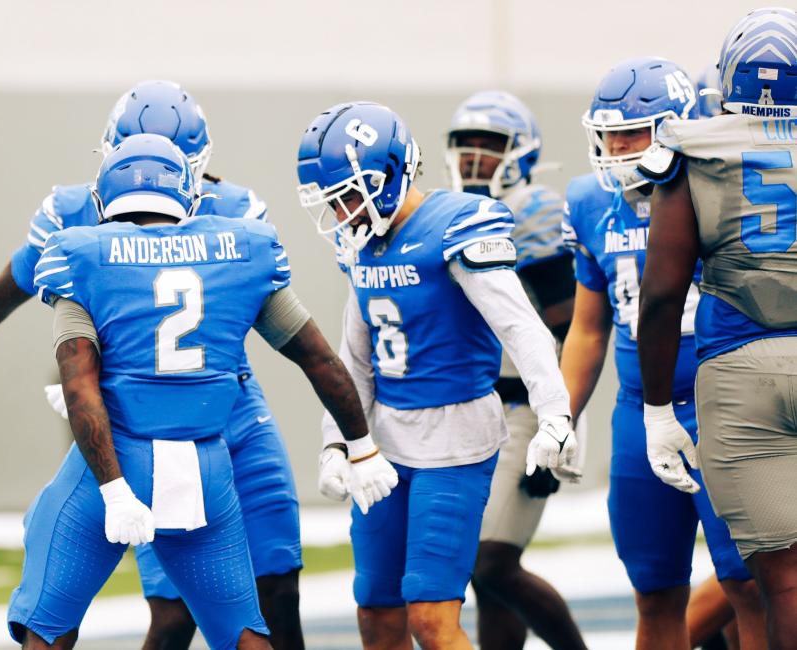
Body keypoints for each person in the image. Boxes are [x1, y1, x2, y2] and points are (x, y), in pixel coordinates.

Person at [0, 80, 306, 649]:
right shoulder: (81, 213)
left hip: (230, 413)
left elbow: (290, 330)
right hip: (137, 426)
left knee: (278, 591)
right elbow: (0, 295)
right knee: (170, 613)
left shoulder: (235, 214)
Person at [0, 133, 393, 649]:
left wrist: (116, 490)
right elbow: (318, 359)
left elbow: (79, 386)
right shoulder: (241, 249)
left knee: (45, 627)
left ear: (105, 197)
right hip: (205, 467)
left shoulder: (80, 254)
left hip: (118, 457)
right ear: (187, 192)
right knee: (246, 636)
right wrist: (362, 447)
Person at [298, 101, 575, 649]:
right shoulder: (359, 243)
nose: (344, 211)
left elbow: (522, 327)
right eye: (335, 200)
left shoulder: (458, 222)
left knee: (431, 618)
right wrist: (339, 442)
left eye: (351, 194)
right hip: (384, 446)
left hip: (457, 444)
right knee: (377, 616)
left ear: (392, 172)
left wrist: (555, 413)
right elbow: (355, 357)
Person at [561, 57, 764, 650]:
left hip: (724, 402)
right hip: (638, 411)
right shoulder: (589, 200)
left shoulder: (719, 186)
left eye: (632, 133)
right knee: (653, 589)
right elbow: (589, 327)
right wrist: (561, 414)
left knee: (749, 583)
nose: (616, 148)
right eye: (609, 133)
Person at [636, 8, 797, 648]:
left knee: (782, 582)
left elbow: (663, 294)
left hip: (739, 370)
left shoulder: (693, 151)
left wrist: (655, 408)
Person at [445, 90, 586, 650]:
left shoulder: (533, 211)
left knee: (491, 562)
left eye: (491, 143)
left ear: (522, 151)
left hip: (528, 409)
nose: (477, 155)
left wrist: (564, 422)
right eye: (466, 143)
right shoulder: (449, 209)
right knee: (484, 575)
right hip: (474, 410)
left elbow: (573, 328)